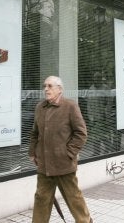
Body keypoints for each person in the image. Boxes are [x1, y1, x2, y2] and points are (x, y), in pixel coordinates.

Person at [28, 76, 92, 223]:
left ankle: (85, 221)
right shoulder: (40, 107)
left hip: (64, 165)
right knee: (41, 198)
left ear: (59, 89)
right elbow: (35, 133)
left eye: (50, 86)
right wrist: (32, 153)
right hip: (44, 165)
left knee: (73, 198)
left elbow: (81, 133)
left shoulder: (70, 106)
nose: (46, 89)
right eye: (45, 86)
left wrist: (68, 153)